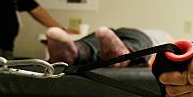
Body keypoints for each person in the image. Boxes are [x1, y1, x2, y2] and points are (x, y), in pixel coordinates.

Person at [45, 26, 174, 67]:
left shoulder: (165, 38)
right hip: (132, 35)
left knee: (92, 45)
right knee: (136, 44)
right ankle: (122, 54)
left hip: (128, 35)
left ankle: (76, 51)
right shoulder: (167, 38)